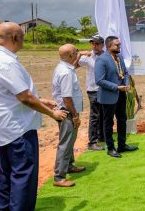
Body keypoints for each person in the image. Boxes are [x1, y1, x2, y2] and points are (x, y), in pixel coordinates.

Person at [0, 22, 67, 210]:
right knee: (23, 177)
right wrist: (52, 113)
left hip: (4, 127)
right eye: (23, 37)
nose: (23, 41)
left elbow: (7, 92)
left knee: (7, 174)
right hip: (18, 128)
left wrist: (41, 100)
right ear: (14, 38)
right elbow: (24, 97)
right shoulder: (7, 62)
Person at [95, 36, 138, 158]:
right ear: (109, 46)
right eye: (117, 45)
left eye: (119, 45)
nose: (119, 47)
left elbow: (125, 73)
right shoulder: (101, 60)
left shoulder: (119, 58)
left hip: (121, 95)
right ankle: (110, 148)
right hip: (109, 96)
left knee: (122, 120)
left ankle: (122, 145)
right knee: (108, 123)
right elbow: (99, 80)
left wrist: (126, 83)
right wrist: (116, 87)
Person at [52, 44, 86, 187]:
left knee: (70, 140)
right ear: (71, 55)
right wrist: (75, 116)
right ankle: (59, 176)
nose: (77, 53)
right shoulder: (65, 72)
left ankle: (69, 165)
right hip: (67, 112)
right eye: (76, 51)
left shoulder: (66, 68)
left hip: (67, 111)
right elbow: (67, 98)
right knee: (65, 144)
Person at [77, 35, 105, 151]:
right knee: (95, 115)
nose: (94, 45)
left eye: (97, 43)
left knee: (103, 114)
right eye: (92, 43)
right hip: (93, 89)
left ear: (102, 45)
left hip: (104, 89)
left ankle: (101, 136)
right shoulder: (88, 57)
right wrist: (79, 55)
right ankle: (92, 142)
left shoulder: (106, 56)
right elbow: (72, 66)